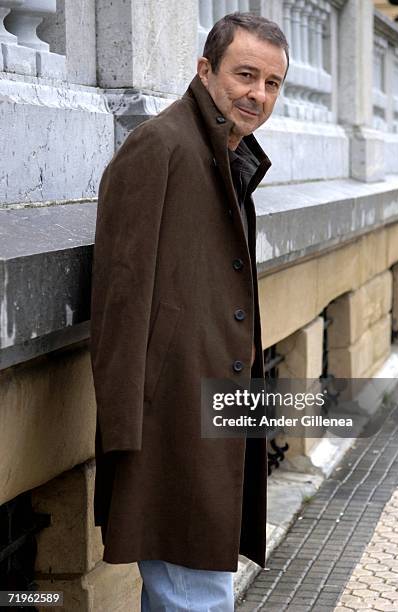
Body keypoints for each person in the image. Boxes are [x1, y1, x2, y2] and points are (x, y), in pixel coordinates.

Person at [89, 11, 289, 612]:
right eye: (245, 75)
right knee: (193, 594)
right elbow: (121, 297)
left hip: (211, 412)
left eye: (272, 83)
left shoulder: (223, 153)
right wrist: (128, 435)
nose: (258, 94)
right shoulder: (161, 145)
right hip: (170, 422)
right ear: (206, 70)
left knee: (195, 589)